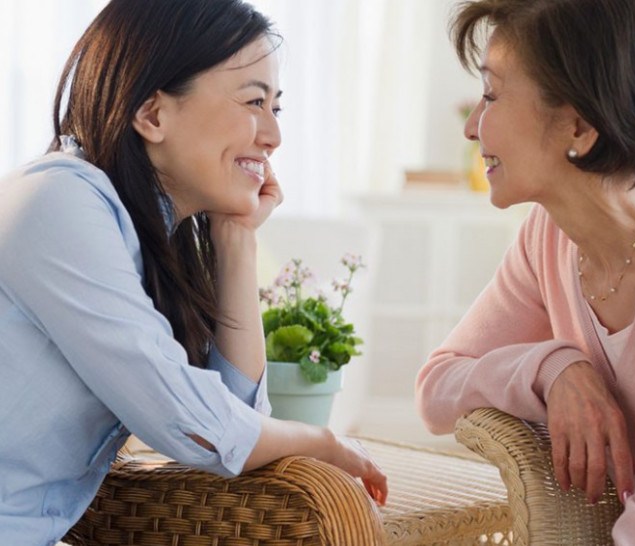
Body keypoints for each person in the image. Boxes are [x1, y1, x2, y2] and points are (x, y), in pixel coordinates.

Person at [0, 0, 387, 543]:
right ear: (153, 114)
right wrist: (322, 441)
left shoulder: (144, 238)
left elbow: (230, 423)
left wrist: (237, 239)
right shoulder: (57, 201)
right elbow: (204, 431)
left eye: (278, 107)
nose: (273, 136)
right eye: (255, 101)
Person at [415, 0, 635, 542]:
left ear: (580, 126)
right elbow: (437, 390)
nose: (472, 127)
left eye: (492, 95)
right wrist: (553, 367)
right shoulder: (547, 238)